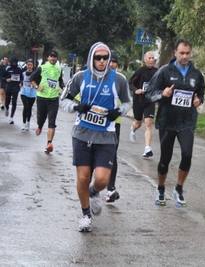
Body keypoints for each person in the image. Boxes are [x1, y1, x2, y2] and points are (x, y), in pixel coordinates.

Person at [60, 42, 131, 232]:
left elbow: (127, 103)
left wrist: (118, 112)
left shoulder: (119, 80)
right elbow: (63, 100)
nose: (102, 61)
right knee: (83, 177)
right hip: (82, 133)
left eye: (105, 58)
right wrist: (76, 107)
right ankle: (85, 216)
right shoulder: (80, 77)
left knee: (102, 180)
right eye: (98, 57)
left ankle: (94, 192)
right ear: (91, 58)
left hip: (105, 136)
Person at [146, 38, 205, 207]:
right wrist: (162, 93)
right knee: (165, 158)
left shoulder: (196, 74)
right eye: (182, 53)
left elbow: (200, 93)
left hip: (186, 121)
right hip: (168, 121)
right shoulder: (165, 71)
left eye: (187, 53)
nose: (185, 56)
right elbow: (150, 92)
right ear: (175, 53)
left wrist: (198, 101)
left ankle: (178, 188)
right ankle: (160, 188)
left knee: (187, 155)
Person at [29, 50, 64, 153]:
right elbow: (31, 78)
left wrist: (63, 86)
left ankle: (49, 143)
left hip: (53, 99)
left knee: (52, 122)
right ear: (48, 58)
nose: (53, 58)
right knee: (41, 118)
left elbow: (60, 80)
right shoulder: (42, 68)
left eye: (55, 57)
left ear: (56, 58)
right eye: (51, 56)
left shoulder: (59, 69)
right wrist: (37, 86)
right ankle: (39, 126)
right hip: (41, 98)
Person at [129, 51, 158, 157]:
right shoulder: (140, 71)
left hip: (149, 101)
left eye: (153, 58)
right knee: (138, 123)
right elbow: (131, 82)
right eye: (149, 58)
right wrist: (136, 90)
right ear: (145, 60)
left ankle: (147, 148)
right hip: (139, 100)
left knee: (149, 123)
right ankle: (133, 129)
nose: (151, 60)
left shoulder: (157, 72)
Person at [106, 50, 122, 203]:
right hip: (95, 123)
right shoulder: (95, 77)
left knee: (112, 155)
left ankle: (111, 188)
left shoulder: (120, 80)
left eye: (114, 62)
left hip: (114, 124)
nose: (111, 64)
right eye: (109, 61)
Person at [3, 56, 23, 124]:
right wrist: (6, 79)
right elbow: (2, 76)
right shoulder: (7, 68)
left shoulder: (19, 68)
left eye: (15, 62)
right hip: (8, 87)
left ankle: (11, 118)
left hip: (16, 88)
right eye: (13, 62)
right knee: (7, 102)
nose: (14, 64)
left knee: (14, 102)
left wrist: (21, 82)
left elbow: (22, 77)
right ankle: (7, 108)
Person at [20, 59, 36, 131]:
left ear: (33, 66)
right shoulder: (23, 73)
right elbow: (20, 80)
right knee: (25, 107)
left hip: (32, 94)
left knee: (29, 108)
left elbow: (38, 82)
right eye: (28, 65)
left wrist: (35, 85)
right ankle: (23, 123)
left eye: (31, 65)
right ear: (26, 65)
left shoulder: (35, 74)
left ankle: (28, 122)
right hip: (24, 92)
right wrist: (20, 83)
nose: (29, 66)